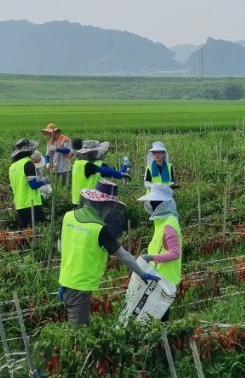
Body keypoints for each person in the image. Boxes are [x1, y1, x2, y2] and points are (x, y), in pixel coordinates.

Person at [58, 181, 157, 326]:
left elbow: (61, 248)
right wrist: (143, 274)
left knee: (76, 325)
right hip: (81, 286)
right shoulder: (99, 229)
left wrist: (66, 281)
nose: (111, 209)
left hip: (66, 280)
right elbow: (124, 256)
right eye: (111, 206)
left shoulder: (68, 216)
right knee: (80, 332)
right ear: (103, 204)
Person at [136, 184, 181, 287]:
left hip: (166, 279)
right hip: (159, 277)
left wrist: (150, 258)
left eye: (155, 201)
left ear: (163, 204)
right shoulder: (161, 222)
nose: (151, 203)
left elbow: (175, 253)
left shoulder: (169, 223)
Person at [70, 139, 129, 207]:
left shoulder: (77, 163)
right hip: (89, 199)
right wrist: (124, 169)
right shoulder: (90, 165)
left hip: (77, 199)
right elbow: (104, 170)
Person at [8, 139, 49, 228]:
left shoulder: (12, 166)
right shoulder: (28, 164)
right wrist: (44, 182)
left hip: (19, 205)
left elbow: (11, 187)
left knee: (25, 235)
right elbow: (33, 185)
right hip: (32, 204)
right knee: (39, 230)